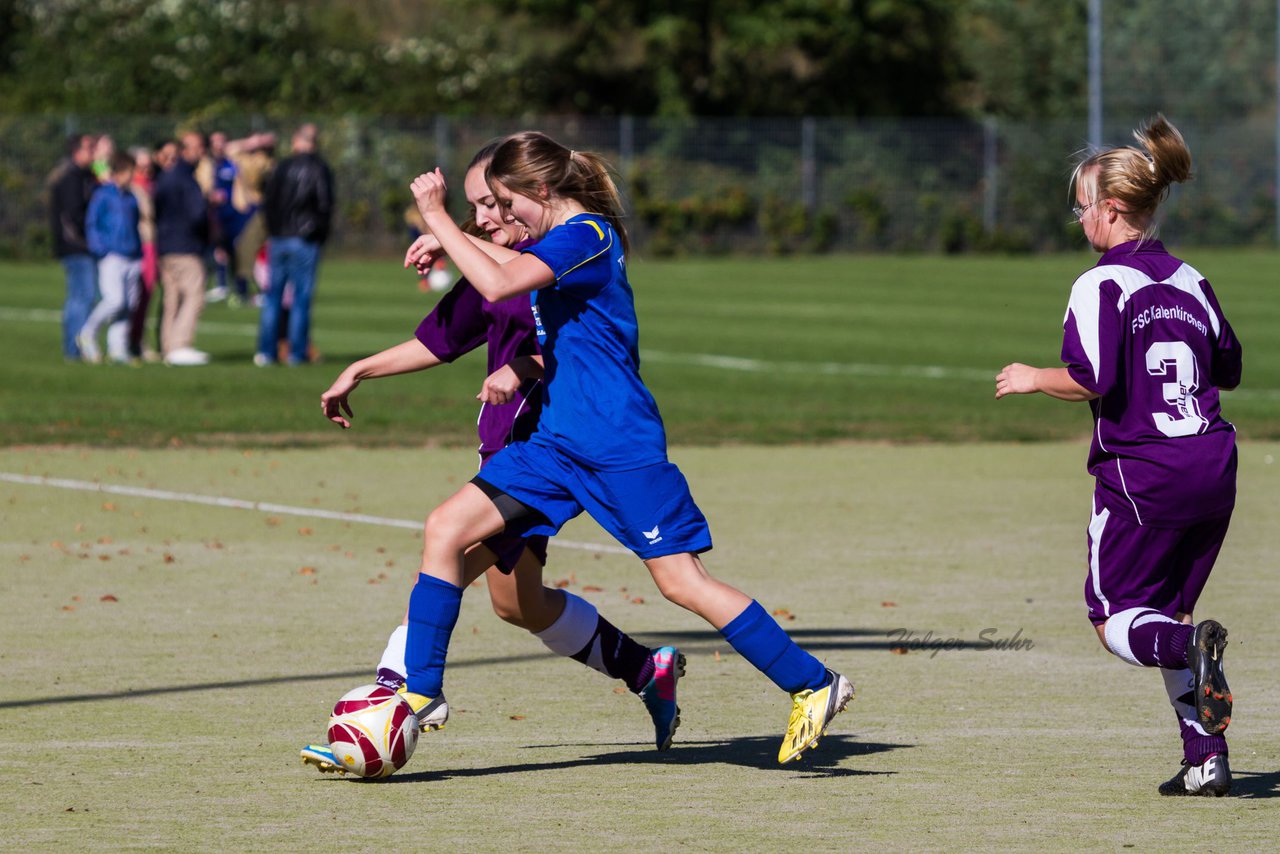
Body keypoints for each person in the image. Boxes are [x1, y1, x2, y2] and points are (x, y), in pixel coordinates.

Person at [388, 131, 853, 767]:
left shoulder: (588, 236)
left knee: (682, 582)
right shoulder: (558, 237)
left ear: (541, 191)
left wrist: (439, 218)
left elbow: (497, 285)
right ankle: (421, 693)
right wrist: (453, 237)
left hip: (616, 445)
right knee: (445, 528)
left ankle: (813, 683)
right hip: (554, 444)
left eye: (503, 202)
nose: (496, 217)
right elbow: (500, 271)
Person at [300, 141, 682, 773]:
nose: (482, 215)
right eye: (475, 204)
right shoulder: (488, 264)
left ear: (524, 195)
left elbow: (576, 349)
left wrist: (519, 367)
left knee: (448, 548)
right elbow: (438, 341)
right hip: (507, 448)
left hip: (549, 449)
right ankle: (648, 669)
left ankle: (394, 703)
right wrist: (360, 369)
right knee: (518, 604)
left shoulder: (549, 261)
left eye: (491, 202)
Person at [995, 115, 1241, 797]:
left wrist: (1030, 377)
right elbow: (1229, 365)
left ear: (1111, 210)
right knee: (1171, 613)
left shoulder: (1099, 284)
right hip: (1213, 467)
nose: (1080, 222)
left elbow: (1091, 378)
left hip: (1145, 476)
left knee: (1115, 620)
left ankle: (1184, 658)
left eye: (1082, 208)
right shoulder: (1191, 278)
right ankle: (1206, 759)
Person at [257, 123, 333, 366]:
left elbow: (268, 203)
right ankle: (296, 353)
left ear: (295, 142)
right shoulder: (319, 168)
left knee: (272, 297)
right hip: (304, 239)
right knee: (301, 299)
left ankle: (266, 352)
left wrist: (273, 231)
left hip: (278, 239)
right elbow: (324, 205)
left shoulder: (281, 167)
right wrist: (319, 234)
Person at [78, 151, 142, 365]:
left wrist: (138, 252)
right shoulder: (103, 195)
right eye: (130, 172)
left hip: (133, 255)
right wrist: (101, 249)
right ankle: (87, 333)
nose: (133, 176)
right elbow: (92, 223)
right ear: (119, 172)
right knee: (115, 300)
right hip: (112, 255)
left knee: (128, 306)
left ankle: (118, 349)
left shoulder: (132, 197)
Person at [153, 131, 212, 366]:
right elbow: (197, 214)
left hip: (165, 245)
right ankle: (179, 345)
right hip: (184, 245)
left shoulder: (166, 177)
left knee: (173, 297)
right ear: (185, 150)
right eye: (197, 147)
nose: (201, 152)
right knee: (195, 294)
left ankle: (168, 346)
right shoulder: (186, 179)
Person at [48, 133, 99, 362]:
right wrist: (89, 240)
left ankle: (75, 347)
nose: (94, 152)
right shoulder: (71, 178)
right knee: (83, 297)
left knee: (81, 297)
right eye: (90, 148)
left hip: (79, 246)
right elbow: (72, 217)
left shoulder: (85, 176)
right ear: (77, 151)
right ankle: (74, 348)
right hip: (77, 248)